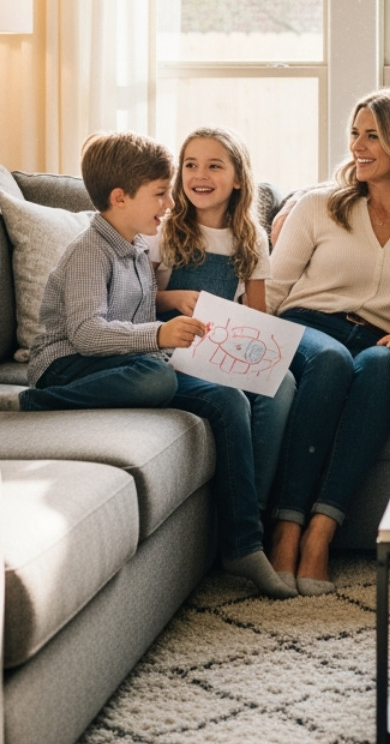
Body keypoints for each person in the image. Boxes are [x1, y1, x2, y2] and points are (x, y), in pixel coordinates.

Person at [16, 131, 295, 599]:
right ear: (121, 198)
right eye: (160, 194)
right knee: (156, 374)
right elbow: (87, 334)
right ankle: (34, 403)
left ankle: (244, 544)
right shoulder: (90, 251)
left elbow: (141, 323)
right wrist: (160, 336)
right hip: (67, 366)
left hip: (129, 362)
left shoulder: (136, 250)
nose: (170, 203)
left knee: (226, 398)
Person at [265, 89, 390, 595]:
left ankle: (321, 535)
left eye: (373, 135)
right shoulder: (318, 205)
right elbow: (275, 291)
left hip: (381, 337)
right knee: (329, 361)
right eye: (355, 133)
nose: (358, 146)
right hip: (307, 325)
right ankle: (285, 531)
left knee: (378, 367)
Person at [149, 126, 295, 509]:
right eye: (191, 165)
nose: (200, 176)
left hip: (220, 351)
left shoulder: (251, 238)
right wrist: (174, 297)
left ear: (237, 180)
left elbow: (257, 317)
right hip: (169, 346)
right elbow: (137, 301)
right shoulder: (162, 230)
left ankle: (253, 510)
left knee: (282, 384)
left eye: (214, 166)